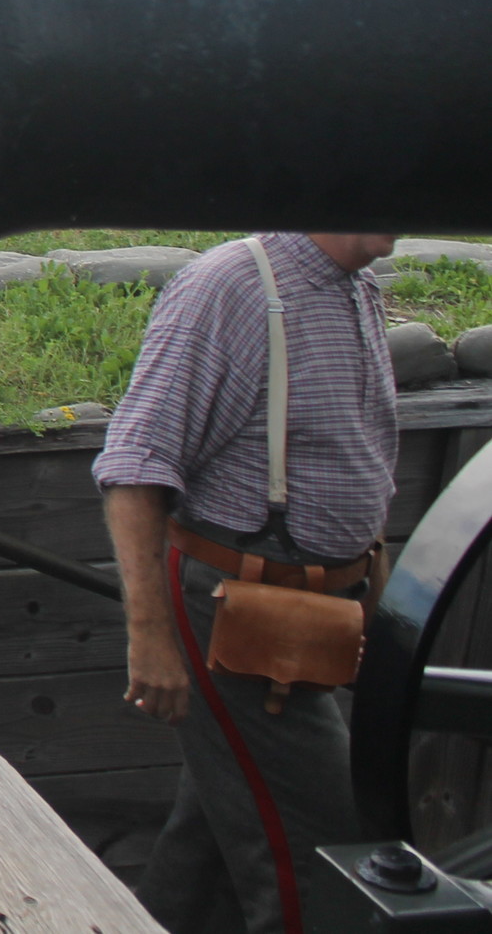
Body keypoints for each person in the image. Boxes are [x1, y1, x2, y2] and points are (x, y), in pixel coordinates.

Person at [95, 231, 401, 934]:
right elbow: (137, 465)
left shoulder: (358, 288)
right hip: (240, 619)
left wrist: (370, 602)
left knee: (213, 840)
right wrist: (150, 637)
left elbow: (361, 459)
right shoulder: (232, 287)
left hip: (315, 613)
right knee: (322, 856)